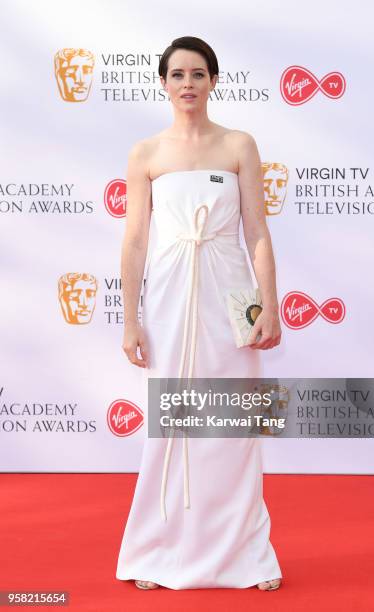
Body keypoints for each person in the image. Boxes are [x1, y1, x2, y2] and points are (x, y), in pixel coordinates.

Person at [116, 36, 283, 592]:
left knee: (234, 427)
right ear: (164, 83)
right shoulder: (146, 153)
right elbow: (135, 240)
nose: (188, 83)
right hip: (167, 299)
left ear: (213, 81)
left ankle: (246, 555)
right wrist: (130, 319)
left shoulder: (239, 144)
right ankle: (158, 551)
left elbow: (257, 231)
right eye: (177, 74)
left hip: (230, 296)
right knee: (172, 429)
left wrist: (271, 304)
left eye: (198, 73)